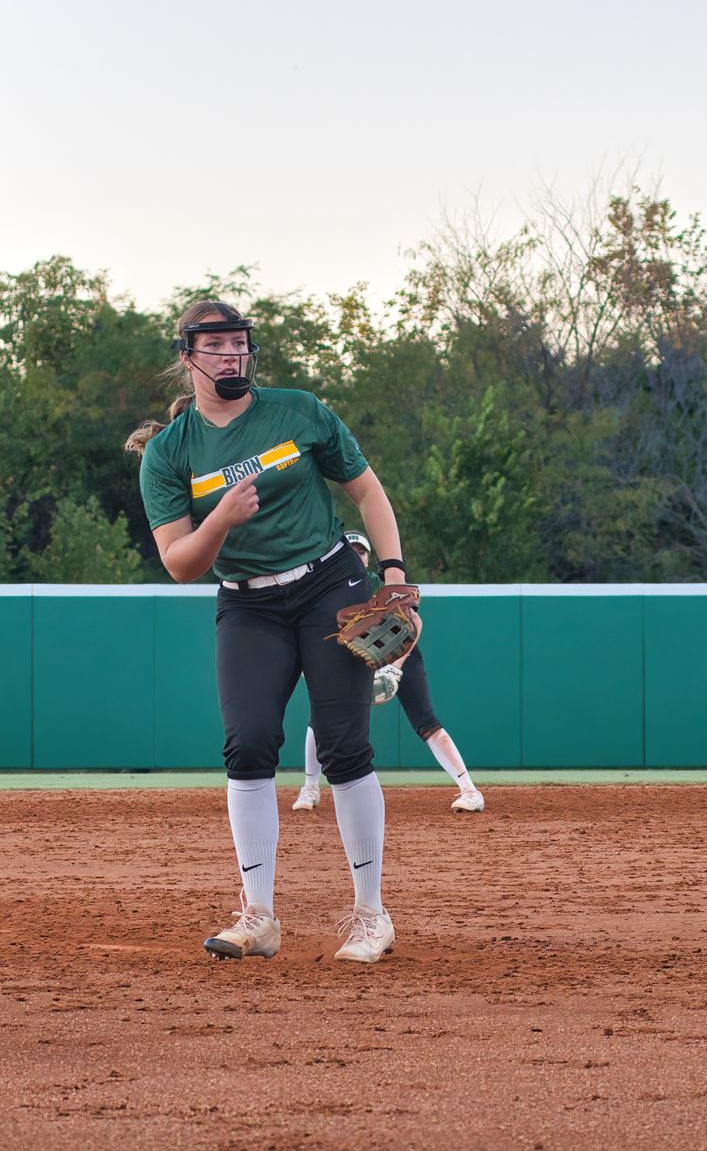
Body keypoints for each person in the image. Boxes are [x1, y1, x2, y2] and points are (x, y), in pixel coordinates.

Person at [125, 300, 411, 965]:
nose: (231, 355)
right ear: (188, 355)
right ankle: (260, 918)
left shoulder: (299, 410)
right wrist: (220, 518)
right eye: (216, 345)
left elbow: (367, 492)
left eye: (239, 344)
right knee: (248, 743)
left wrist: (392, 573)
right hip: (248, 602)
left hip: (329, 583)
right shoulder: (169, 453)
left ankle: (371, 916)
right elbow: (179, 564)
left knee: (343, 745)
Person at [293, 533, 485, 814]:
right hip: (351, 657)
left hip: (399, 654)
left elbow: (414, 620)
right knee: (320, 717)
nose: (357, 555)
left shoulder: (379, 585)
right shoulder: (326, 588)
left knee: (427, 722)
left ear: (368, 557)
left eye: (362, 551)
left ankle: (470, 791)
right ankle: (310, 787)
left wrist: (394, 670)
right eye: (352, 550)